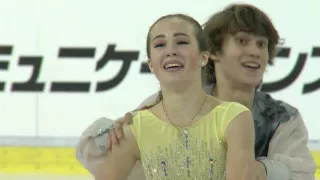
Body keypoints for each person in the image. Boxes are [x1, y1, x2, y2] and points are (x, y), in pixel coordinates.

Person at [76, 3, 316, 180]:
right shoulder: (161, 106)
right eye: (243, 41)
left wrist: (260, 170)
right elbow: (110, 159)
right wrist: (115, 132)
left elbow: (303, 171)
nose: (255, 52)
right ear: (212, 52)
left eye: (262, 44)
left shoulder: (282, 118)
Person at [92, 13, 256, 180]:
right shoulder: (134, 128)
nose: (170, 51)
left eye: (182, 42)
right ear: (151, 65)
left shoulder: (234, 118)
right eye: (160, 44)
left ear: (203, 57)